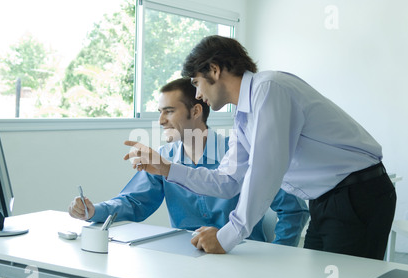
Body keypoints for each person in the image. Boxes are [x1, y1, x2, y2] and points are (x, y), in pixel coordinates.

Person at [124, 36, 396, 260]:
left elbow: (265, 171)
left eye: (196, 82)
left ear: (215, 70)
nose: (197, 94)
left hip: (358, 193)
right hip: (326, 201)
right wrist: (167, 168)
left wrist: (227, 236)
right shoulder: (243, 117)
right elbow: (228, 180)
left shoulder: (269, 89)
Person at [69, 78, 309, 246]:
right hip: (187, 255)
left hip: (241, 257)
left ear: (195, 112)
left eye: (169, 111)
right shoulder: (163, 158)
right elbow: (134, 202)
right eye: (160, 111)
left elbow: (293, 209)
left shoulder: (241, 154)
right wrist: (94, 211)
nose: (161, 121)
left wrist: (278, 254)